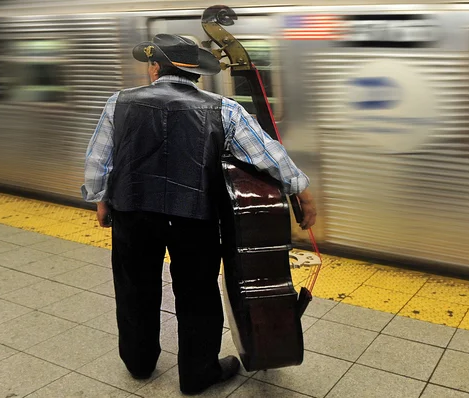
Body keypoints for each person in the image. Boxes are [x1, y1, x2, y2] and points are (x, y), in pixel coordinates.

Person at [81, 34, 317, 395]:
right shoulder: (224, 109)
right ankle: (198, 373)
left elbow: (99, 158)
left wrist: (100, 198)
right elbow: (268, 156)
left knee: (134, 289)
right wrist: (300, 189)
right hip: (194, 216)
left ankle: (139, 362)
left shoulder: (119, 102)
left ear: (156, 67)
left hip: (132, 213)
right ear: (195, 74)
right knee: (197, 294)